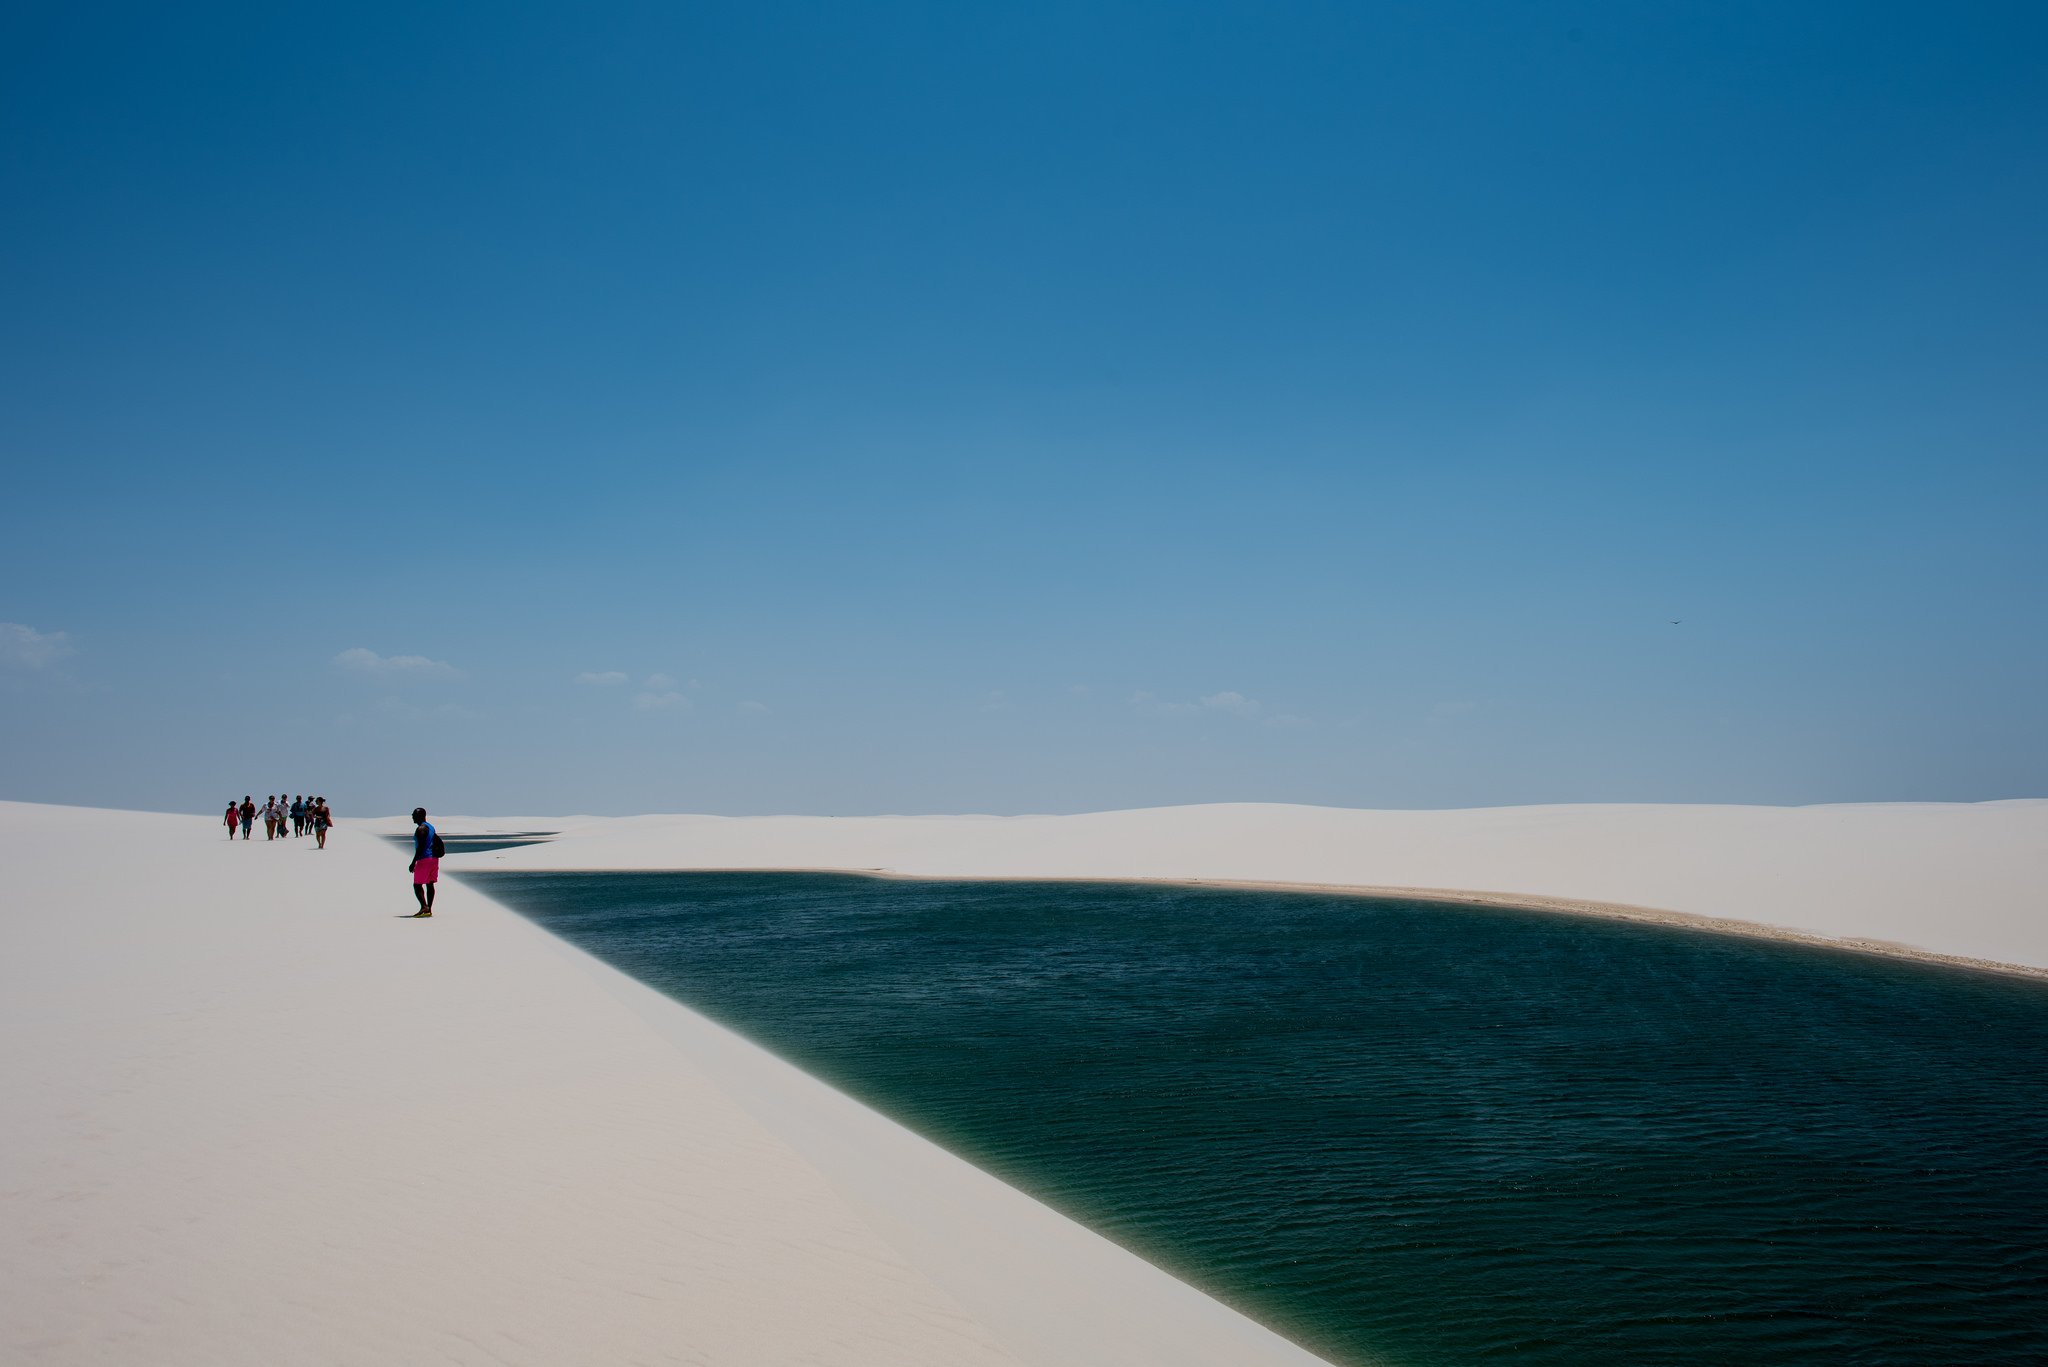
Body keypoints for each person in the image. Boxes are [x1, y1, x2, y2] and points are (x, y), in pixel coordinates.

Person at [407, 806, 438, 916]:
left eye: (414, 815)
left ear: (421, 816)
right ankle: (429, 909)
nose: (412, 817)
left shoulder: (421, 829)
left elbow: (420, 847)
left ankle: (424, 906)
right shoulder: (431, 827)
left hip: (424, 859)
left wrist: (413, 862)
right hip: (433, 859)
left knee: (417, 885)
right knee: (430, 884)